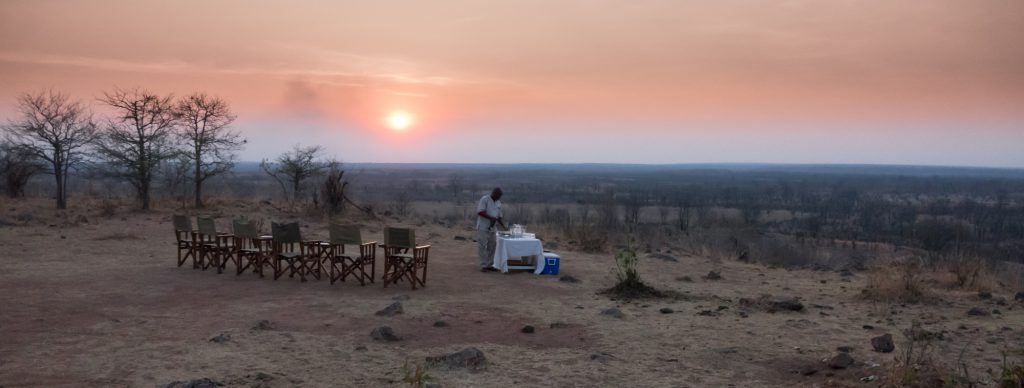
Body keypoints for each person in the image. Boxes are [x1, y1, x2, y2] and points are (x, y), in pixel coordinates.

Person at [476, 187, 505, 272]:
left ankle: (490, 264)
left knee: (492, 246)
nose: (499, 197)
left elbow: (499, 216)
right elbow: (480, 212)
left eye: (500, 196)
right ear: (494, 193)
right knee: (482, 246)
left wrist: (503, 226)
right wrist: (491, 218)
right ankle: (483, 265)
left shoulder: (498, 203)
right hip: (483, 226)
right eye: (498, 195)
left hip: (493, 227)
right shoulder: (485, 199)